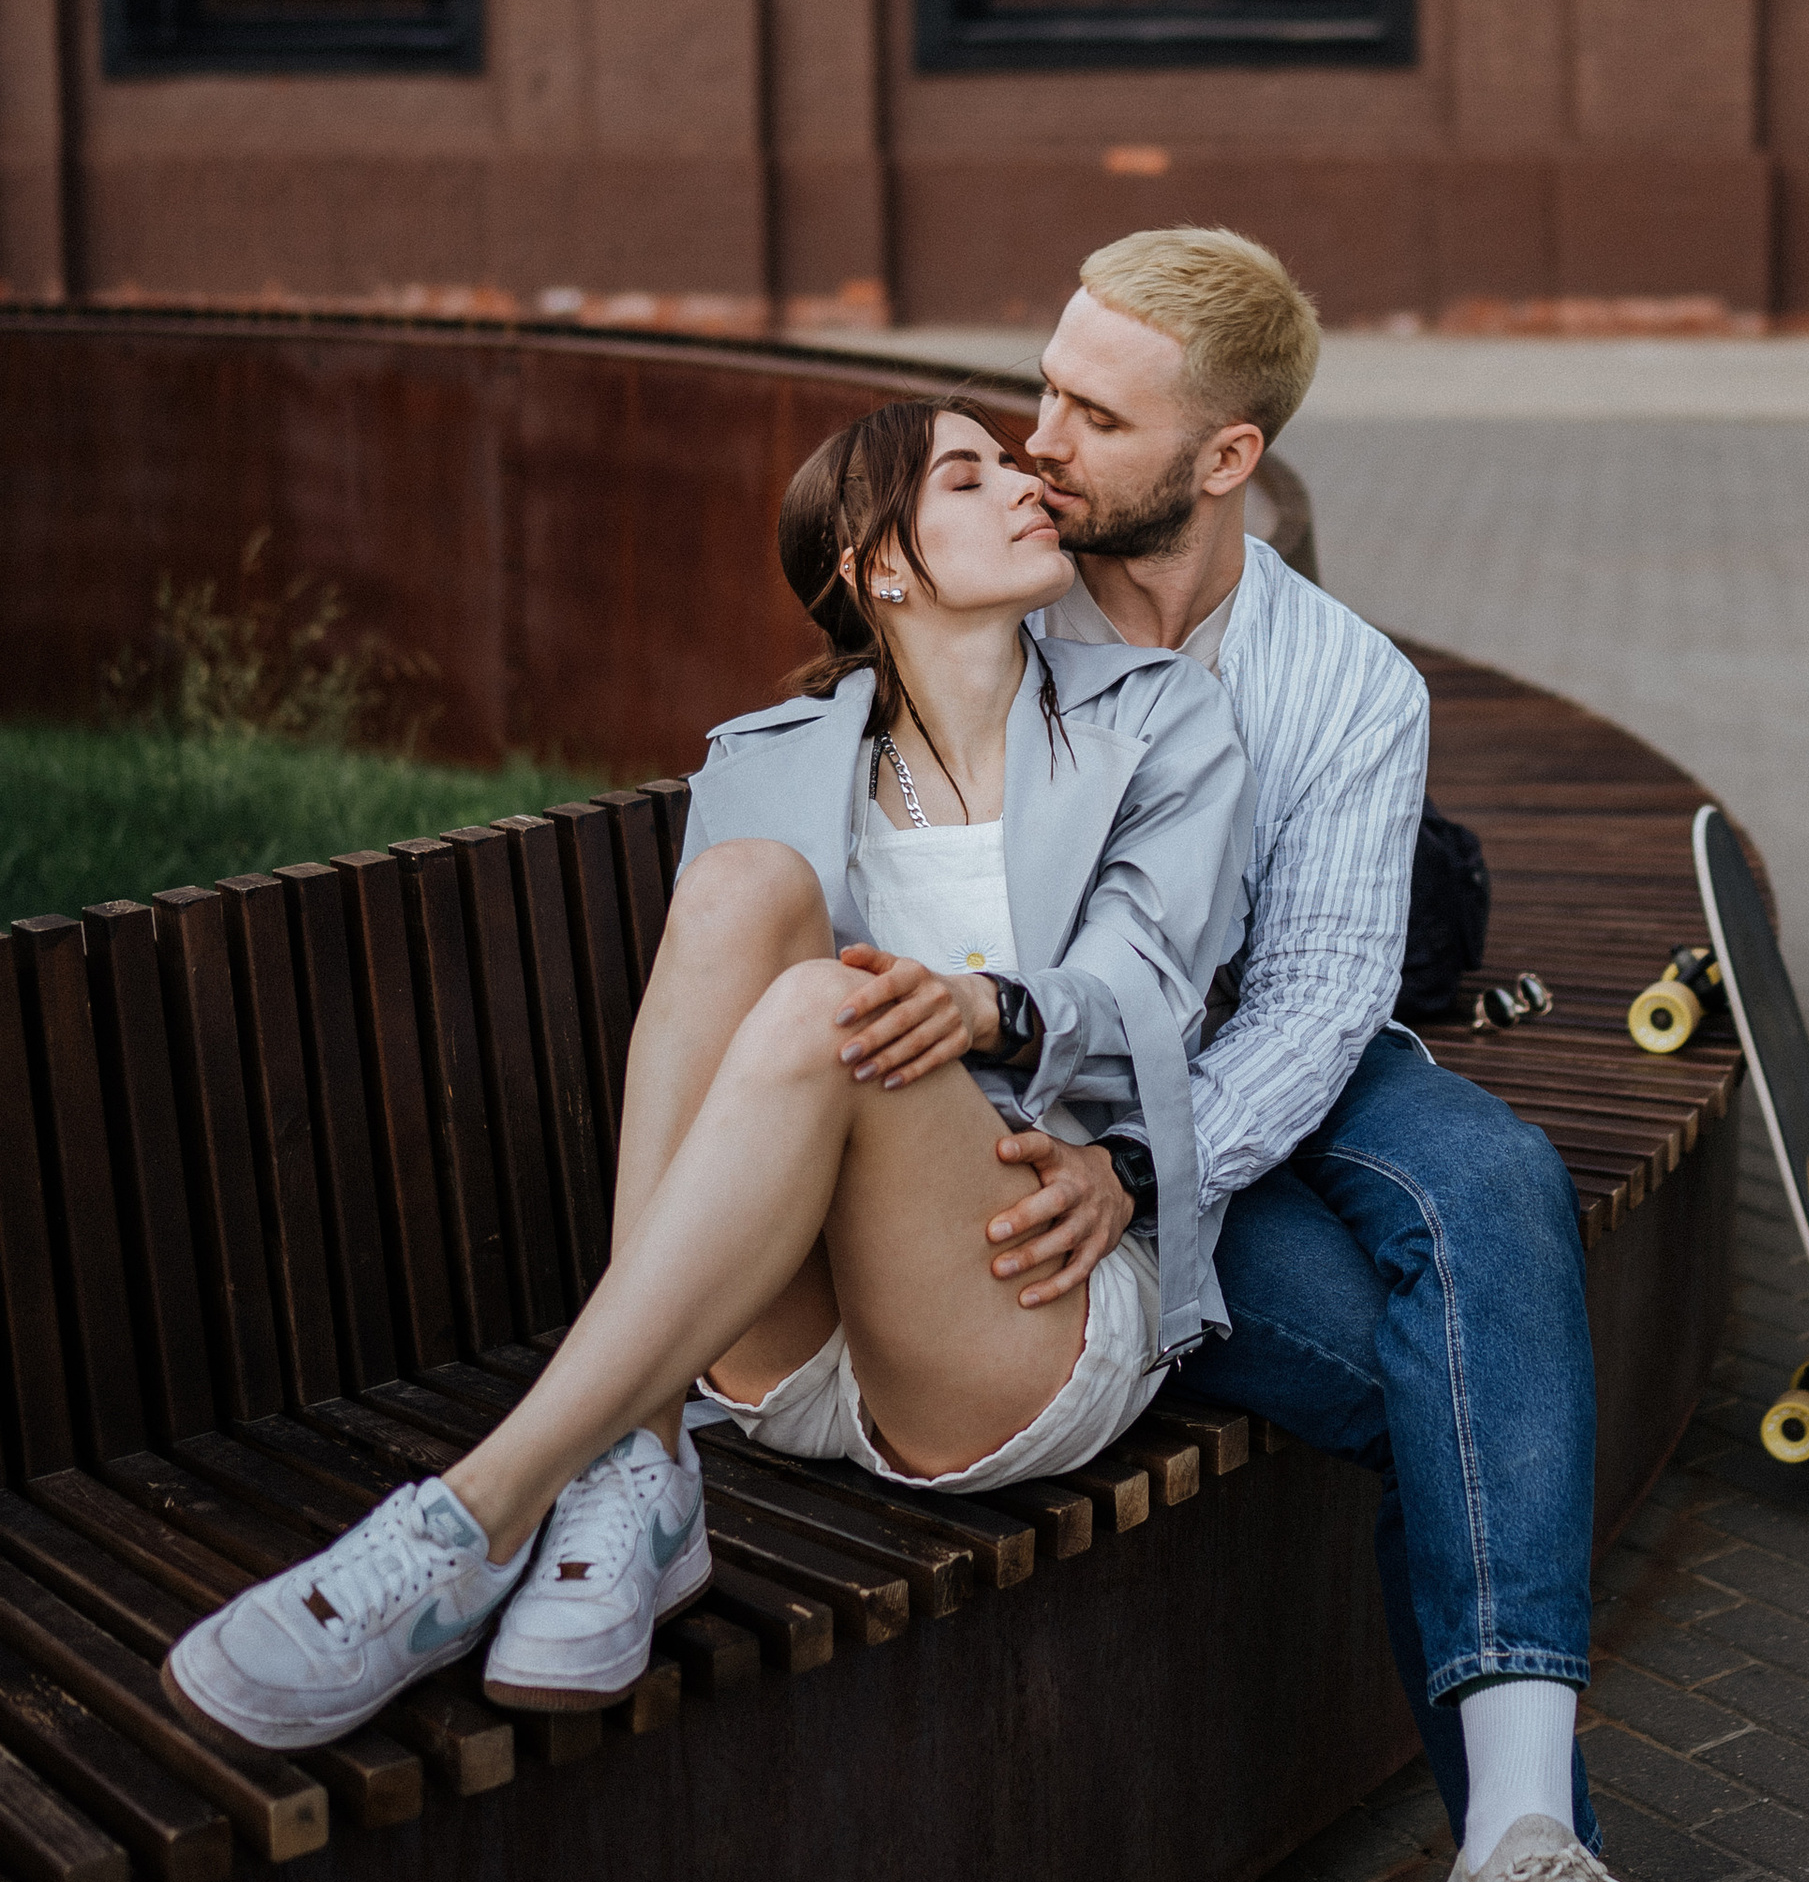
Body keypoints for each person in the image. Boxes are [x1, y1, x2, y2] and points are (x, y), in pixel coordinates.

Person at [165, 401, 1251, 1743]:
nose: (1026, 483)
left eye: (1010, 463)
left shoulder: (1158, 716)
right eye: (967, 477)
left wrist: (987, 1011)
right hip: (783, 1335)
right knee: (746, 888)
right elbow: (723, 1025)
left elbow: (1150, 989)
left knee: (823, 1003)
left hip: (1021, 1295)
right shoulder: (765, 761)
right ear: (880, 563)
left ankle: (472, 1515)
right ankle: (642, 1461)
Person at [1026, 227, 1770, 1882]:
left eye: (1093, 412)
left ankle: (1518, 1878)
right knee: (1453, 1379)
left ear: (1226, 457)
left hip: (1255, 1081)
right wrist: (1102, 1154)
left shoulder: (1343, 681)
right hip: (1066, 1110)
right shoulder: (995, 602)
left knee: (1492, 1168)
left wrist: (1151, 1165)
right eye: (1044, 386)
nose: (1039, 438)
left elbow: (1322, 999)